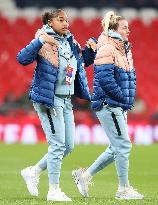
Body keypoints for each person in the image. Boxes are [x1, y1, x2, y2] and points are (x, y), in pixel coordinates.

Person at [17, 9, 97, 202]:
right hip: (49, 99)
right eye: (61, 20)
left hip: (66, 100)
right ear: (50, 22)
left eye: (67, 20)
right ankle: (53, 190)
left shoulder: (69, 40)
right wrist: (41, 41)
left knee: (68, 146)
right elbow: (22, 58)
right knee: (57, 145)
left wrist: (90, 52)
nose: (66, 23)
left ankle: (33, 171)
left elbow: (79, 63)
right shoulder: (42, 38)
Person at [72, 11, 144, 200]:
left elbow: (131, 76)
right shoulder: (106, 48)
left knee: (116, 147)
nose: (128, 30)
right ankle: (123, 189)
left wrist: (128, 98)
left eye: (128, 27)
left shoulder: (124, 48)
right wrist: (122, 97)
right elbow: (105, 78)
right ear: (113, 29)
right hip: (109, 103)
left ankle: (84, 175)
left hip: (119, 104)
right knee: (123, 145)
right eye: (124, 27)